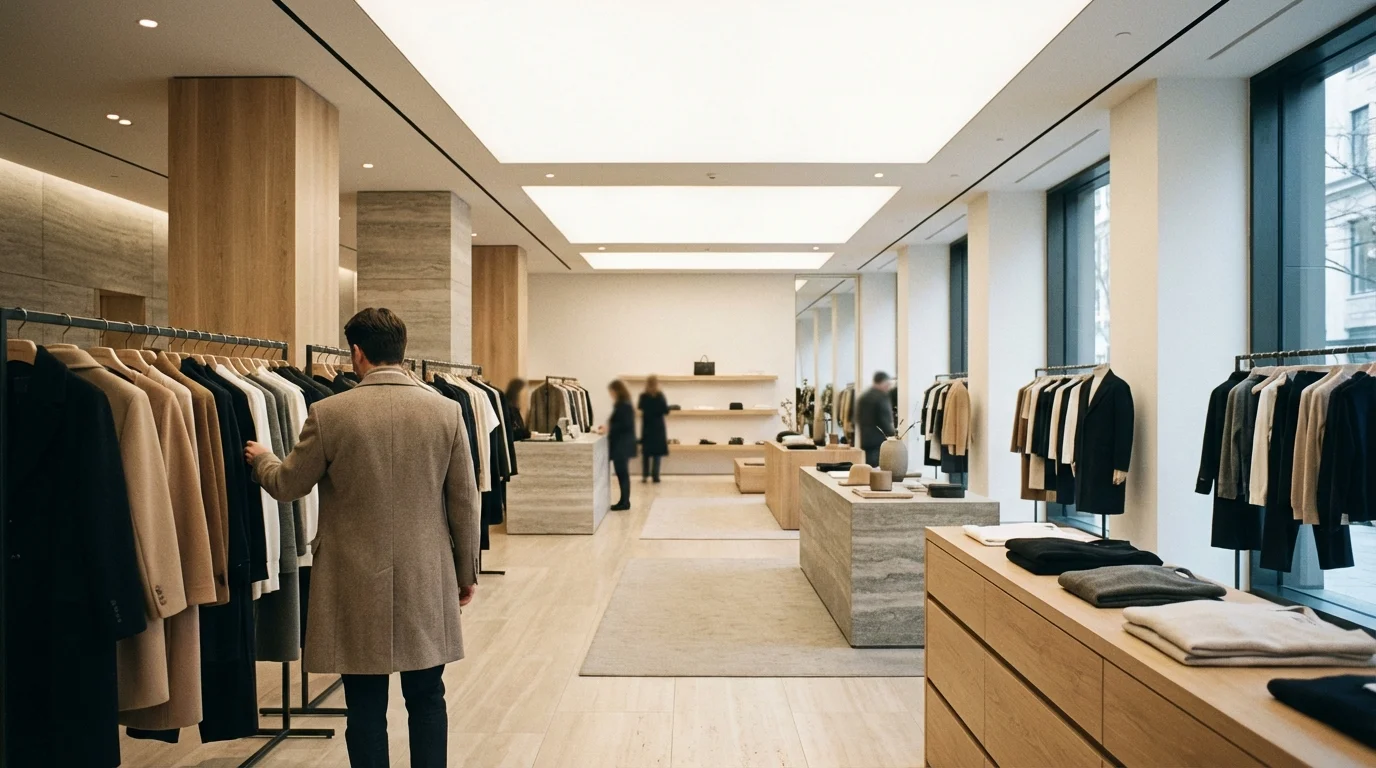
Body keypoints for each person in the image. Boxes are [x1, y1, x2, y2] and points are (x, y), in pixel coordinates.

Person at [244, 308, 479, 768]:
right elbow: (464, 503)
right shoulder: (446, 411)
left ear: (356, 352)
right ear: (402, 349)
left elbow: (288, 484)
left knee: (365, 706)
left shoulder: (330, 413)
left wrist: (263, 460)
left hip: (354, 580)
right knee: (427, 697)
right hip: (425, 576)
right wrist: (465, 572)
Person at [597, 379, 636, 510]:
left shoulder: (624, 405)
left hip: (622, 445)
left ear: (616, 391)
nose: (610, 394)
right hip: (623, 444)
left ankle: (625, 502)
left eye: (611, 392)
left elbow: (624, 425)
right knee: (622, 474)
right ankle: (623, 501)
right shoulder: (623, 404)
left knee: (622, 474)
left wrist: (609, 428)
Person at [857, 371, 896, 467]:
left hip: (865, 439)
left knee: (869, 466)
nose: (888, 387)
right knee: (878, 468)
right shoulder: (881, 397)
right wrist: (893, 434)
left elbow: (857, 417)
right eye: (887, 384)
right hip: (878, 440)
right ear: (882, 382)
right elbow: (885, 420)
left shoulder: (864, 396)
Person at [638, 374, 669, 482]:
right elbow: (666, 410)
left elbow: (640, 407)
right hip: (658, 427)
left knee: (646, 453)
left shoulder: (643, 396)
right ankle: (655, 476)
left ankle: (645, 475)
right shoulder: (660, 395)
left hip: (647, 426)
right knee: (657, 454)